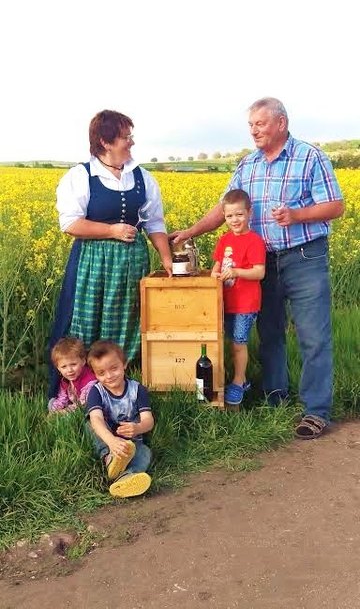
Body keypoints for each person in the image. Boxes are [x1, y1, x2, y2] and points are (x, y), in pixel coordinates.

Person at [171, 97, 344, 439]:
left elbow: (335, 205)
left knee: (313, 336)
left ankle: (316, 410)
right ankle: (275, 398)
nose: (254, 130)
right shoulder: (247, 165)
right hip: (262, 262)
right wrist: (192, 231)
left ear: (281, 123)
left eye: (260, 124)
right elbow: (225, 209)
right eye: (251, 125)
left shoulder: (309, 157)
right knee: (269, 334)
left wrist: (297, 215)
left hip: (304, 256)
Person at [49, 110, 172, 398]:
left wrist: (167, 259)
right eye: (125, 137)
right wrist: (112, 231)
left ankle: (121, 392)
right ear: (105, 141)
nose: (131, 142)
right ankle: (81, 392)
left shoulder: (142, 177)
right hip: (93, 263)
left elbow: (154, 222)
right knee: (86, 322)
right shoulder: (81, 176)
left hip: (131, 263)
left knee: (128, 322)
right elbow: (69, 223)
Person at [211, 189, 266, 406]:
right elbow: (217, 265)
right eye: (229, 216)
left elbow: (259, 272)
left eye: (239, 215)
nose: (235, 220)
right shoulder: (224, 240)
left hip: (245, 303)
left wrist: (235, 272)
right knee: (226, 342)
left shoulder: (254, 241)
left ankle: (239, 380)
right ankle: (228, 377)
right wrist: (215, 274)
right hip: (226, 301)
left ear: (249, 213)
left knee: (238, 343)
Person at [86, 340, 154, 498]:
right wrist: (111, 441)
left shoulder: (137, 390)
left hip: (131, 444)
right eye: (101, 373)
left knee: (145, 452)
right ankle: (109, 458)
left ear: (124, 364)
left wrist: (138, 428)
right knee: (91, 423)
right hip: (107, 441)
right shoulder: (96, 391)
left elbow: (148, 420)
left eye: (114, 369)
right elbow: (96, 419)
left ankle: (124, 478)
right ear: (95, 375)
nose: (109, 376)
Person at [49, 337, 97, 413]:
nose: (69, 370)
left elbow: (83, 404)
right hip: (73, 405)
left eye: (73, 364)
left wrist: (63, 412)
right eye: (64, 367)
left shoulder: (90, 381)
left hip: (88, 407)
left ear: (83, 361)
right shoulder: (65, 380)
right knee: (52, 402)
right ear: (58, 368)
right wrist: (55, 410)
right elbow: (62, 398)